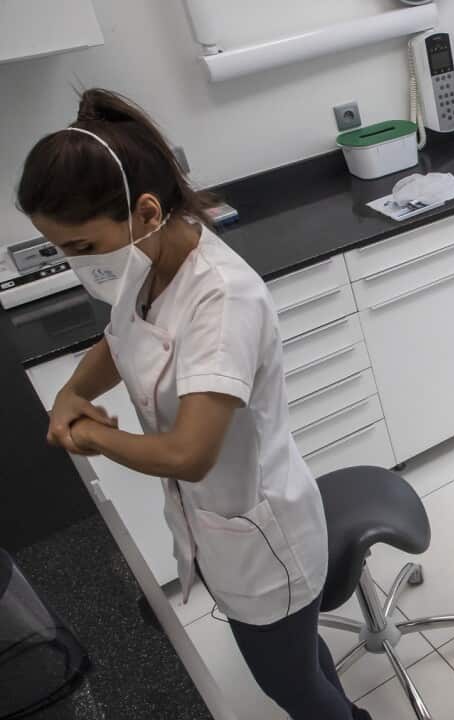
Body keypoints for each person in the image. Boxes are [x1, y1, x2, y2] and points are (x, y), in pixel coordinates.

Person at [17, 89, 369, 720]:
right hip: (228, 527)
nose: (75, 266)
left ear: (146, 210)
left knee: (290, 686)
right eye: (61, 250)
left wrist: (89, 435)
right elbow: (121, 336)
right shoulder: (148, 262)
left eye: (82, 248)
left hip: (260, 536)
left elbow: (190, 452)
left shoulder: (220, 300)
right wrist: (74, 392)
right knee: (299, 664)